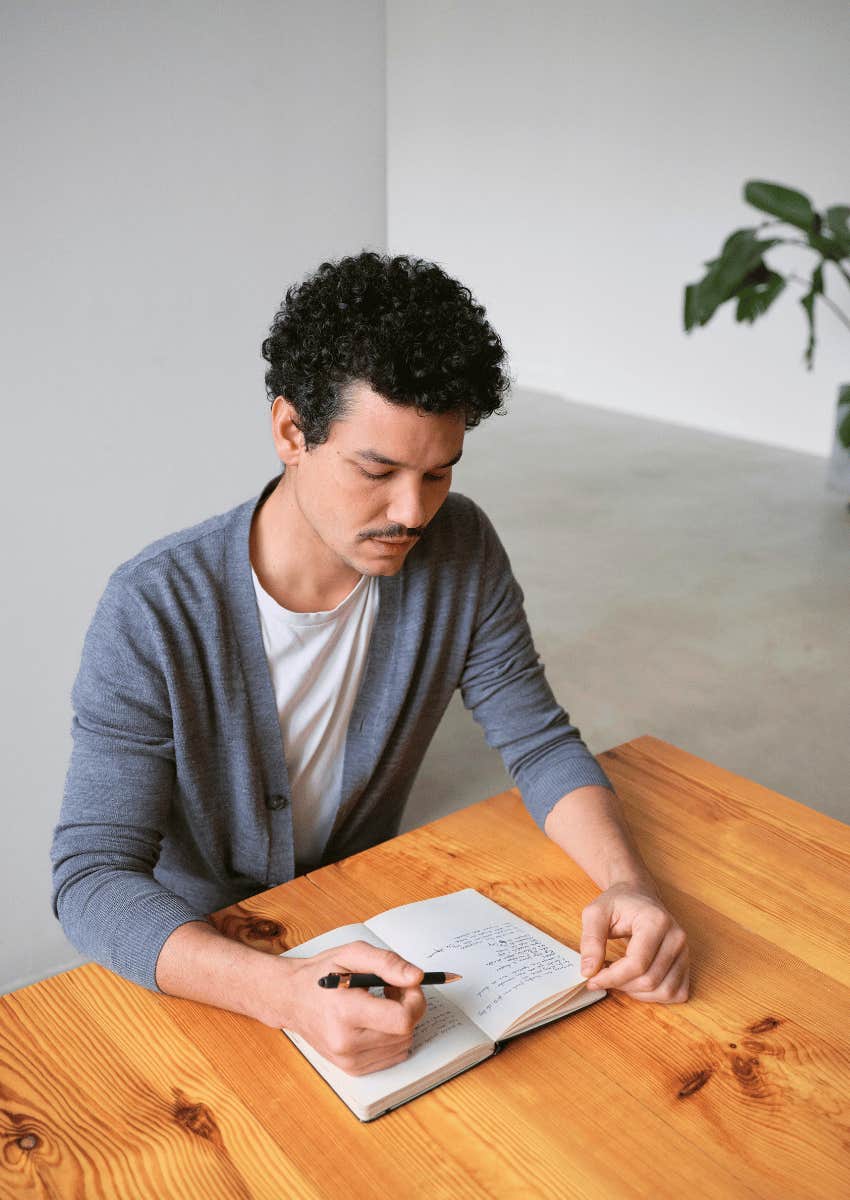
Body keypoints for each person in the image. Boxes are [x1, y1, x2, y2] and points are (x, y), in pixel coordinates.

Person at [51, 251, 689, 1077]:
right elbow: (93, 878)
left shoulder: (462, 551)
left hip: (367, 925)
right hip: (210, 964)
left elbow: (537, 741)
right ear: (290, 431)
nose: (411, 512)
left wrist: (628, 884)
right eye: (377, 470)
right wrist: (283, 992)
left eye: (439, 473)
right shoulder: (153, 608)